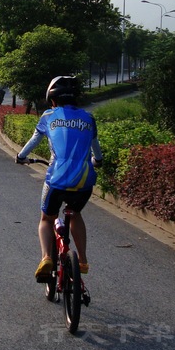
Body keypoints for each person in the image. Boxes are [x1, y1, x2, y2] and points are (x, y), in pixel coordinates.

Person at [15, 76, 102, 280]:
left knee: (46, 219)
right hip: (84, 181)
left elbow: (34, 140)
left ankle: (46, 258)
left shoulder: (48, 116)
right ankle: (82, 260)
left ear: (52, 100)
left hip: (57, 179)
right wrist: (97, 161)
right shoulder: (89, 118)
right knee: (76, 214)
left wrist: (21, 157)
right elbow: (96, 151)